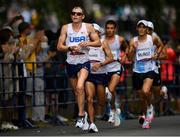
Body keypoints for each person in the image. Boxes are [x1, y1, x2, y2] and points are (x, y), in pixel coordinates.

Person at [57, 6, 101, 130]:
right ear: (71, 15)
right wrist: (70, 48)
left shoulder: (88, 27)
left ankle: (81, 115)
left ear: (83, 16)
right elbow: (59, 46)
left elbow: (98, 42)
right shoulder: (66, 28)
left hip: (84, 61)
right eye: (73, 13)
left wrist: (88, 43)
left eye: (78, 14)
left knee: (80, 86)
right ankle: (84, 114)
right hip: (71, 62)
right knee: (77, 92)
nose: (75, 15)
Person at [128, 20, 164, 129]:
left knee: (145, 91)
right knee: (142, 97)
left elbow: (161, 46)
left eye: (143, 27)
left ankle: (149, 110)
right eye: (139, 27)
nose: (141, 29)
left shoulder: (152, 39)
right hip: (137, 71)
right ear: (137, 29)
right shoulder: (133, 41)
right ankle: (147, 112)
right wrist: (133, 49)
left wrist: (156, 54)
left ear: (146, 29)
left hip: (150, 69)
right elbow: (129, 58)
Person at [85, 23, 113, 132]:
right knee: (90, 98)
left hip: (101, 74)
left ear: (98, 33)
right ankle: (92, 123)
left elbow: (110, 57)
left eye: (94, 32)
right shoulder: (86, 43)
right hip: (89, 74)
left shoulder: (103, 42)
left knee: (101, 103)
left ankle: (107, 94)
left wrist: (100, 64)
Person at [102, 20, 129, 126]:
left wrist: (124, 56)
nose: (109, 30)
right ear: (105, 29)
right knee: (109, 93)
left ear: (115, 29)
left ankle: (112, 111)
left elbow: (127, 48)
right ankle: (113, 109)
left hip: (116, 67)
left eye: (111, 28)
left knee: (111, 89)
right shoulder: (101, 40)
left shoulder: (120, 39)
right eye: (107, 28)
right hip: (104, 68)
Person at [146, 21, 168, 116]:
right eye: (146, 28)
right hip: (144, 69)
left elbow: (165, 55)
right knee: (146, 90)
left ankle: (163, 90)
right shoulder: (140, 38)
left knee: (156, 94)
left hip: (155, 67)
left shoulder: (156, 39)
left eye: (149, 29)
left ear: (152, 30)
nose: (147, 31)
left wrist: (157, 56)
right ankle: (150, 109)